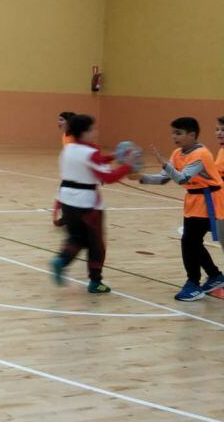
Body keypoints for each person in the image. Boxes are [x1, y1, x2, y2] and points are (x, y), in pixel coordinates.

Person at [140, 117, 224, 301]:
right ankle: (213, 276)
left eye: (178, 133)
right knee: (191, 241)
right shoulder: (178, 153)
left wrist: (164, 164)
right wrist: (140, 177)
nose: (174, 137)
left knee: (191, 242)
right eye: (173, 133)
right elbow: (163, 179)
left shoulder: (201, 154)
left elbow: (182, 178)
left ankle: (194, 283)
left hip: (213, 201)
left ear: (192, 135)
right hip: (194, 201)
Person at [49, 114, 133, 294]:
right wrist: (128, 166)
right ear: (84, 132)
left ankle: (61, 260)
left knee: (76, 237)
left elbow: (93, 161)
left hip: (66, 200)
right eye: (93, 129)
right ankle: (95, 281)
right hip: (86, 204)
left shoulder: (68, 149)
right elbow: (108, 178)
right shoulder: (90, 153)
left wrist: (112, 157)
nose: (96, 131)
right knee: (96, 243)